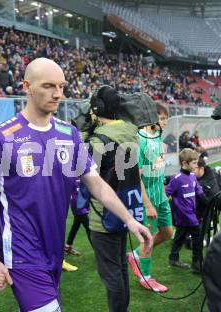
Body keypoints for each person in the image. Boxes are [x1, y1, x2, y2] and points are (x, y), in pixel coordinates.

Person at [0, 59, 152, 311]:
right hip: (21, 252)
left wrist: (130, 220)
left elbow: (95, 182)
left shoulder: (69, 134)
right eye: (48, 86)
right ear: (27, 86)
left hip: (55, 249)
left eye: (61, 86)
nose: (58, 94)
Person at [87, 86, 147, 311]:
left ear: (97, 108)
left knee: (112, 276)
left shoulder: (98, 139)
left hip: (104, 215)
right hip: (128, 210)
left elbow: (86, 174)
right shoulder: (130, 131)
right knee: (120, 268)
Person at [127, 103, 172, 293]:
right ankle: (145, 277)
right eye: (161, 118)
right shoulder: (140, 140)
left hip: (160, 196)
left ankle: (136, 255)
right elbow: (136, 176)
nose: (164, 123)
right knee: (147, 239)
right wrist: (147, 204)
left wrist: (163, 191)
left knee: (168, 232)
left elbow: (159, 167)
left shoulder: (159, 137)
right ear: (151, 117)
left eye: (165, 119)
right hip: (147, 199)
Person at [166, 148, 207, 273]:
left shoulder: (193, 177)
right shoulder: (177, 178)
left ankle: (173, 258)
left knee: (180, 235)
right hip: (184, 214)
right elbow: (166, 194)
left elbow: (199, 192)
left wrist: (209, 203)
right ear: (185, 163)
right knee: (197, 235)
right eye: (194, 163)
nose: (196, 165)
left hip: (191, 212)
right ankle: (197, 262)